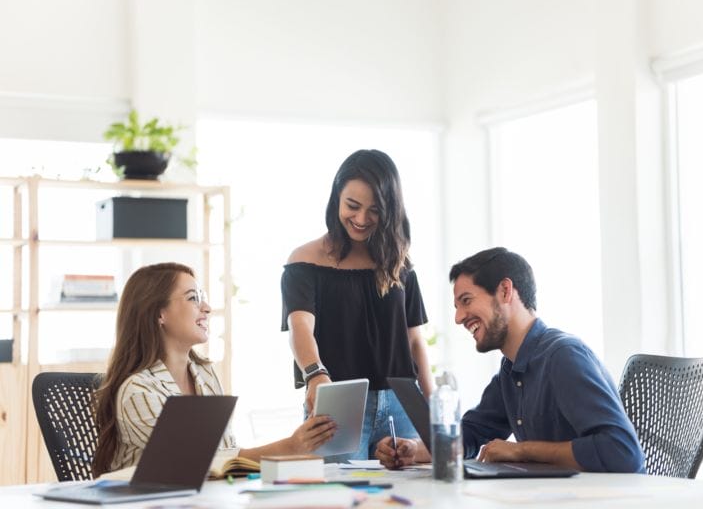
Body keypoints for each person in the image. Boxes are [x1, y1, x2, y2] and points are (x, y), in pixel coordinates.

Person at [375, 247, 645, 473]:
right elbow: (471, 433)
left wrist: (521, 451)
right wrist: (413, 449)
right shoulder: (511, 371)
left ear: (505, 291)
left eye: (466, 300)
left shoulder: (563, 357)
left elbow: (622, 452)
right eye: (457, 307)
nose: (458, 318)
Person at [92, 263, 336, 477]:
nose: (207, 308)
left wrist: (294, 451)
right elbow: (196, 464)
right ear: (159, 313)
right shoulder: (138, 391)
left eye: (203, 297)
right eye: (193, 298)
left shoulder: (204, 375)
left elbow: (225, 453)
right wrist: (289, 448)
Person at [281, 149, 434, 460]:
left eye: (374, 210)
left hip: (404, 402)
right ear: (337, 196)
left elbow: (415, 341)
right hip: (339, 403)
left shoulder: (399, 264)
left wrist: (432, 408)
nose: (361, 219)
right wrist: (315, 375)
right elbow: (300, 327)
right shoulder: (304, 262)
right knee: (338, 498)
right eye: (353, 206)